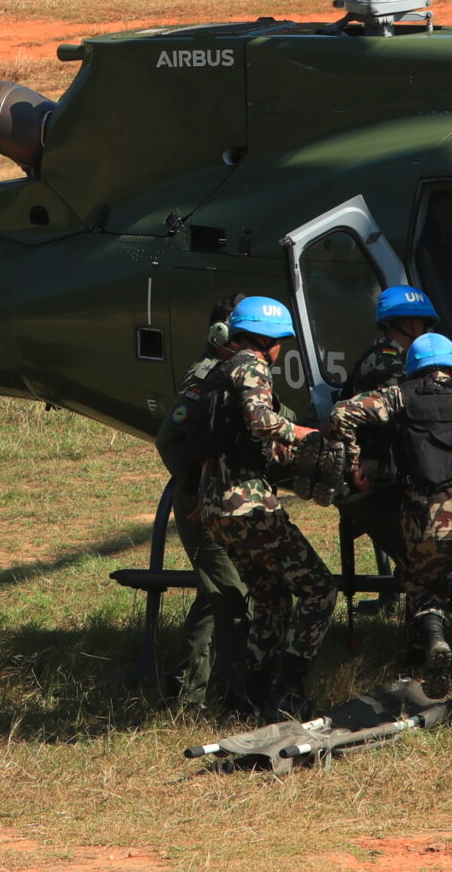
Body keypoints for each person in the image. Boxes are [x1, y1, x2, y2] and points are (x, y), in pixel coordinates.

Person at [332, 331, 452, 724]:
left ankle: (434, 635)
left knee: (422, 587)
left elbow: (343, 413)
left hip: (423, 519)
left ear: (414, 368)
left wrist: (356, 462)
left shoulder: (400, 395)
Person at [191, 295, 338, 722]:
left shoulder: (219, 372)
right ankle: (289, 693)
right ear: (268, 338)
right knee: (319, 589)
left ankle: (250, 699)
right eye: (281, 342)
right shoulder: (252, 363)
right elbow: (261, 421)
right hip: (250, 507)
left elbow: (241, 440)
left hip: (216, 510)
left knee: (272, 598)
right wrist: (307, 434)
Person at [152, 314, 248, 706]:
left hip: (226, 499)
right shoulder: (206, 379)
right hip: (203, 502)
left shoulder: (234, 374)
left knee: (218, 596)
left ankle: (190, 688)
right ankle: (213, 693)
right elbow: (171, 439)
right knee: (227, 595)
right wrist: (196, 490)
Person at [337, 286, 442, 589]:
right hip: (382, 468)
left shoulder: (387, 357)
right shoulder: (389, 364)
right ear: (410, 325)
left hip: (389, 463)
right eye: (424, 326)